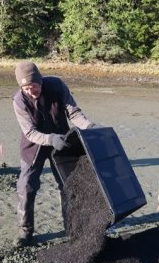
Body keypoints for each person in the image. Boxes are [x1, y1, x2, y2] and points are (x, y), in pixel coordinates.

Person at [12, 61, 98, 246]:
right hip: (34, 146)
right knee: (26, 186)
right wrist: (50, 139)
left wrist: (88, 126)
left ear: (40, 81)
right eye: (25, 88)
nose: (30, 91)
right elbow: (30, 132)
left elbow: (73, 113)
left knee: (68, 184)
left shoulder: (57, 85)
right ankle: (25, 231)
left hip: (62, 140)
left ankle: (72, 225)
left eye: (33, 86)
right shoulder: (19, 100)